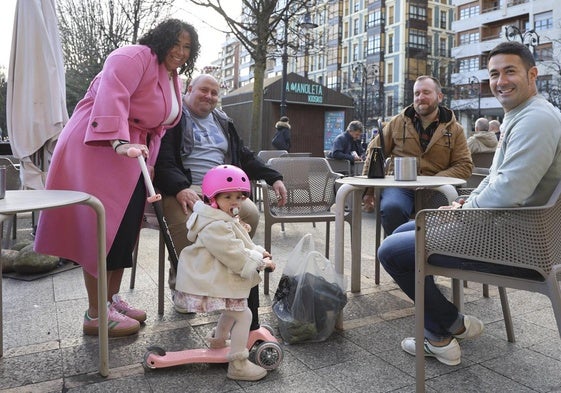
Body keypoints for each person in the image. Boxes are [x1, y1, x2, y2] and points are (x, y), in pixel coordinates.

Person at [378, 41, 561, 366]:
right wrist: (467, 202)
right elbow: (496, 181)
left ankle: (442, 331)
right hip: (509, 227)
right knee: (406, 228)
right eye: (494, 73)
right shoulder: (524, 115)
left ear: (532, 74)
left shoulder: (537, 120)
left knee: (391, 252)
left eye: (510, 71)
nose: (500, 81)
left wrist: (463, 211)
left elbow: (508, 191)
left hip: (516, 243)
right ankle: (446, 326)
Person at [34, 19, 200, 337]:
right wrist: (118, 141)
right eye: (176, 43)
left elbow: (161, 127)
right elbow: (113, 95)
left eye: (187, 47)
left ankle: (111, 299)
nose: (180, 51)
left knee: (125, 232)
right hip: (98, 147)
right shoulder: (133, 56)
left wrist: (148, 162)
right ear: (161, 40)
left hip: (134, 155)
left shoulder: (172, 77)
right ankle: (95, 313)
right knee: (100, 229)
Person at [153, 74, 288, 331]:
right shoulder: (173, 119)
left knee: (249, 214)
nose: (209, 96)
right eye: (204, 90)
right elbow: (163, 159)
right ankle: (185, 282)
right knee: (189, 222)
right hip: (184, 186)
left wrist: (274, 178)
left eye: (215, 93)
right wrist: (180, 188)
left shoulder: (223, 121)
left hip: (222, 189)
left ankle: (227, 279)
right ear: (189, 89)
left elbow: (244, 157)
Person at [174, 165, 275, 381]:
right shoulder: (215, 225)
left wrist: (257, 252)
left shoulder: (220, 218)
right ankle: (238, 365)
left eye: (239, 197)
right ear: (213, 198)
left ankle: (219, 341)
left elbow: (238, 243)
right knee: (244, 314)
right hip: (210, 278)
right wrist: (258, 262)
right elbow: (233, 254)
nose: (234, 202)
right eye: (227, 197)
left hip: (218, 276)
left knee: (232, 310)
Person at [361, 75, 473, 235]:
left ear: (439, 97)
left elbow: (464, 166)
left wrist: (435, 181)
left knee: (444, 221)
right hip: (401, 186)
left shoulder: (455, 130)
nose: (421, 97)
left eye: (426, 92)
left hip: (437, 189)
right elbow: (374, 152)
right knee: (392, 208)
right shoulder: (397, 122)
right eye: (417, 93)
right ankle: (395, 254)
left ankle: (427, 256)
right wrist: (368, 191)